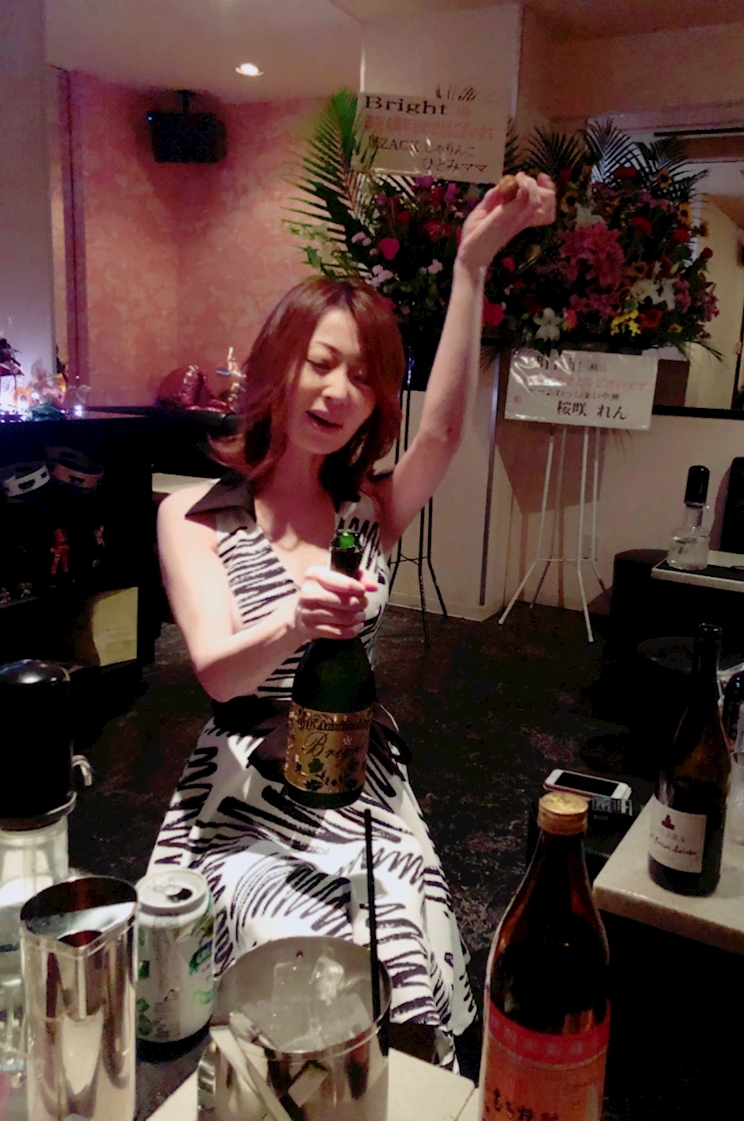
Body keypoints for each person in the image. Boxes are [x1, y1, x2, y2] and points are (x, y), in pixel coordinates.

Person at [150, 172, 556, 1068]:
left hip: (358, 775)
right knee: (288, 939)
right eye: (321, 362)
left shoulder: (369, 507)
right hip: (244, 794)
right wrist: (294, 620)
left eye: (364, 378)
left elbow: (442, 435)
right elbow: (218, 672)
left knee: (394, 932)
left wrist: (471, 267)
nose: (339, 391)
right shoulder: (194, 515)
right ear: (277, 365)